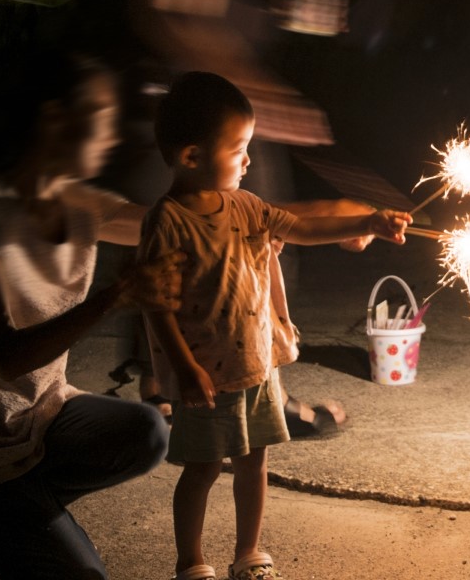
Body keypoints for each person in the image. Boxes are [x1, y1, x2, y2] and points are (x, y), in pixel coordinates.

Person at [123, 0, 353, 434]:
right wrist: (266, 94)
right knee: (217, 251)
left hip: (236, 109)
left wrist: (299, 14)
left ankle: (193, 392)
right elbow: (165, 14)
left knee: (251, 247)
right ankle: (187, 394)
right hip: (190, 116)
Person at [137, 71, 409, 580]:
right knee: (202, 469)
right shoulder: (168, 222)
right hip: (206, 377)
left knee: (254, 462)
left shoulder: (246, 206)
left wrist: (367, 222)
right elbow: (157, 306)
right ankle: (190, 561)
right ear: (192, 156)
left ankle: (249, 554)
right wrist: (183, 367)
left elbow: (301, 228)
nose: (248, 161)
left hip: (257, 366)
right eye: (239, 149)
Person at [0, 50, 184, 578]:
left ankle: (10, 523)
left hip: (36, 421)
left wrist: (317, 222)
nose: (112, 135)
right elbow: (8, 358)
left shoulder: (78, 202)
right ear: (54, 119)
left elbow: (178, 224)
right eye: (102, 118)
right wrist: (114, 296)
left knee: (145, 431)